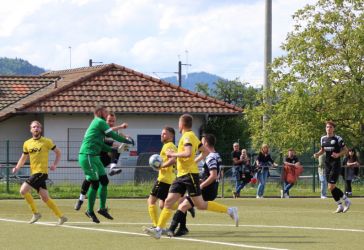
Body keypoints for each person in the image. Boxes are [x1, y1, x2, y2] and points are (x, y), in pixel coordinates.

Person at [143, 114, 238, 239]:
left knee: (201, 205)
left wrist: (173, 155)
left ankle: (230, 210)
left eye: (178, 122)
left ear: (181, 124)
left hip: (189, 176)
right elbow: (205, 152)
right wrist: (195, 161)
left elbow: (188, 153)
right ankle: (159, 230)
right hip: (181, 175)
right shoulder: (191, 136)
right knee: (168, 202)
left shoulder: (188, 136)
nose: (178, 125)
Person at [79, 105, 134, 223]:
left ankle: (102, 208)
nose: (107, 114)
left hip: (95, 156)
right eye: (105, 112)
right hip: (88, 155)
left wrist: (118, 147)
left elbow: (103, 144)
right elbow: (112, 135)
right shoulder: (99, 121)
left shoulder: (100, 124)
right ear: (100, 112)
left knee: (104, 181)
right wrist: (126, 141)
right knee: (94, 182)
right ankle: (88, 209)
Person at [12, 120, 67, 225]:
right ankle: (61, 216)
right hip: (34, 173)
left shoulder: (47, 141)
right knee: (45, 197)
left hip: (41, 173)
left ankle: (36, 213)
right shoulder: (27, 143)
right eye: (34, 127)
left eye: (38, 127)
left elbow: (58, 153)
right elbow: (23, 158)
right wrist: (17, 167)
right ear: (30, 129)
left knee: (23, 191)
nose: (36, 128)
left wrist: (55, 164)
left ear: (40, 129)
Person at [167, 133, 222, 237]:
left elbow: (213, 175)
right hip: (209, 186)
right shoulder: (216, 155)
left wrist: (201, 185)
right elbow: (217, 173)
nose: (199, 144)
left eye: (201, 142)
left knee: (186, 205)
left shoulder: (210, 157)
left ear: (205, 143)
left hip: (207, 188)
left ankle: (171, 229)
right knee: (183, 203)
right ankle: (181, 228)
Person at [313, 121, 351, 213]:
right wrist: (317, 154)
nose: (328, 129)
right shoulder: (323, 138)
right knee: (331, 187)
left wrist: (338, 154)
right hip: (327, 164)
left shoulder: (338, 138)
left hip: (336, 164)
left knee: (331, 186)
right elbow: (322, 150)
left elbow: (346, 150)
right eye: (327, 127)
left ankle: (346, 200)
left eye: (330, 127)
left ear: (333, 129)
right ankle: (340, 205)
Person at [147, 127, 177, 228]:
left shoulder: (168, 146)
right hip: (169, 179)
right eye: (162, 133)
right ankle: (184, 206)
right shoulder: (170, 145)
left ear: (171, 136)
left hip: (163, 179)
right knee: (162, 205)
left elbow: (173, 160)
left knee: (151, 201)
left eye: (164, 133)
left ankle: (156, 226)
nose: (162, 135)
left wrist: (161, 166)